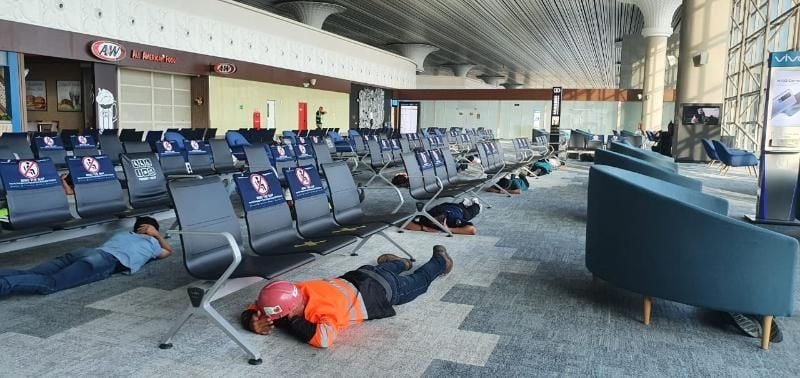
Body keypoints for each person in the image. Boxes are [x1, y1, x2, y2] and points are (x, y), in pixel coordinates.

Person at [241, 245, 453, 348]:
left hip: (385, 291)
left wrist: (292, 321)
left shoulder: (321, 311)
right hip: (361, 275)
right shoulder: (293, 288)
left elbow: (324, 340)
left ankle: (440, 262)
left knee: (420, 281)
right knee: (380, 269)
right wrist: (251, 319)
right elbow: (261, 305)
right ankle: (400, 262)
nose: (275, 320)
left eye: (280, 316)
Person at [0, 217, 172, 297]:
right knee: (50, 284)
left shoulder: (124, 234)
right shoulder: (153, 244)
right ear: (153, 230)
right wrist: (157, 235)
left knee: (33, 273)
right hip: (101, 261)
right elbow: (168, 252)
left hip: (86, 252)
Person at [403, 198, 481, 235]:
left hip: (460, 211)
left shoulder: (452, 219)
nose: (437, 223)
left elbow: (472, 230)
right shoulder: (426, 218)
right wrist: (425, 228)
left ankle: (474, 203)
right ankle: (465, 203)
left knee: (475, 210)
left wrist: (448, 229)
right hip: (445, 205)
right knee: (464, 207)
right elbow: (405, 223)